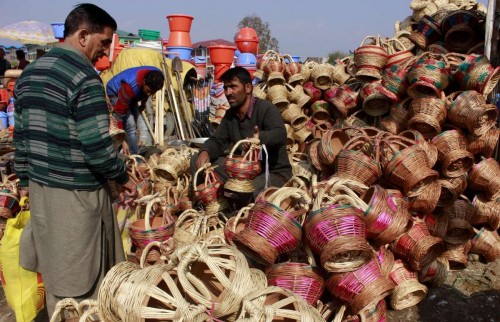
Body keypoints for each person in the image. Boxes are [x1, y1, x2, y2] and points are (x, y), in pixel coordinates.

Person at [13, 3, 136, 318]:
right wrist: (122, 177)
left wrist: (25, 182)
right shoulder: (84, 78)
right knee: (83, 282)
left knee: (56, 272)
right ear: (83, 35)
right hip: (76, 198)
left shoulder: (30, 73)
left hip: (41, 190)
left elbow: (22, 136)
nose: (105, 51)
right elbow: (96, 147)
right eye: (104, 41)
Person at [191, 66, 292, 201]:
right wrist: (206, 151)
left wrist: (259, 138)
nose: (228, 92)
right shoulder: (230, 115)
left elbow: (280, 134)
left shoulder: (266, 108)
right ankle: (205, 205)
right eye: (226, 88)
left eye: (233, 87)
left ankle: (239, 215)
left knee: (250, 191)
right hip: (243, 171)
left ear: (248, 88)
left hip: (272, 172)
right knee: (195, 160)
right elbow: (217, 141)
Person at [106, 66, 164, 155]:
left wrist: (143, 104)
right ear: (144, 82)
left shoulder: (156, 77)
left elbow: (147, 93)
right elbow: (118, 114)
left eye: (152, 92)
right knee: (130, 124)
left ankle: (130, 146)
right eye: (148, 90)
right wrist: (122, 141)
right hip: (115, 91)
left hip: (135, 93)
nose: (149, 94)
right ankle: (134, 155)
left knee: (135, 118)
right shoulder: (129, 88)